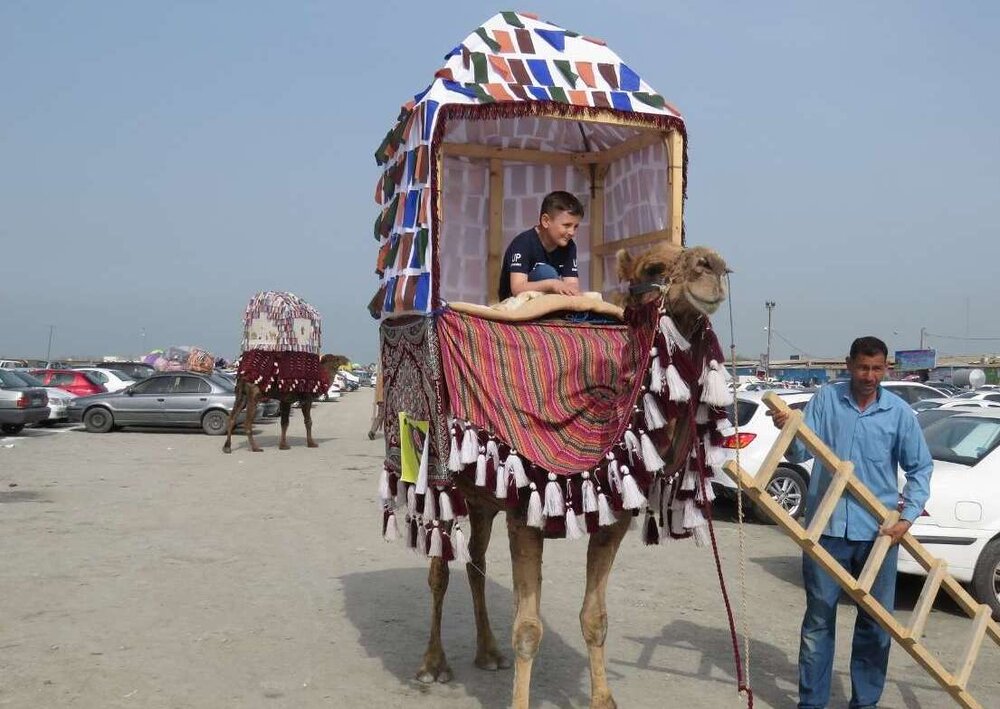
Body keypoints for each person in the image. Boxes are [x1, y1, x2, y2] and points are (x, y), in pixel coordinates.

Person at [771, 336, 932, 709]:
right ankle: (812, 703)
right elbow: (799, 451)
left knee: (876, 628)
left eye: (877, 368)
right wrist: (788, 428)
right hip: (825, 533)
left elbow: (920, 468)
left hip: (878, 535)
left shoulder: (897, 414)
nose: (869, 376)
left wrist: (906, 518)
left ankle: (865, 703)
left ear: (887, 368)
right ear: (848, 364)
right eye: (863, 367)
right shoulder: (826, 400)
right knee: (818, 621)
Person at [497, 190, 582, 301]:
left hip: (546, 301)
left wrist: (571, 291)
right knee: (545, 272)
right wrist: (552, 284)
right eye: (567, 225)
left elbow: (572, 283)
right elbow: (517, 288)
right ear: (546, 221)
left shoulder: (570, 246)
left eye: (575, 226)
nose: (572, 232)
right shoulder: (523, 243)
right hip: (515, 302)